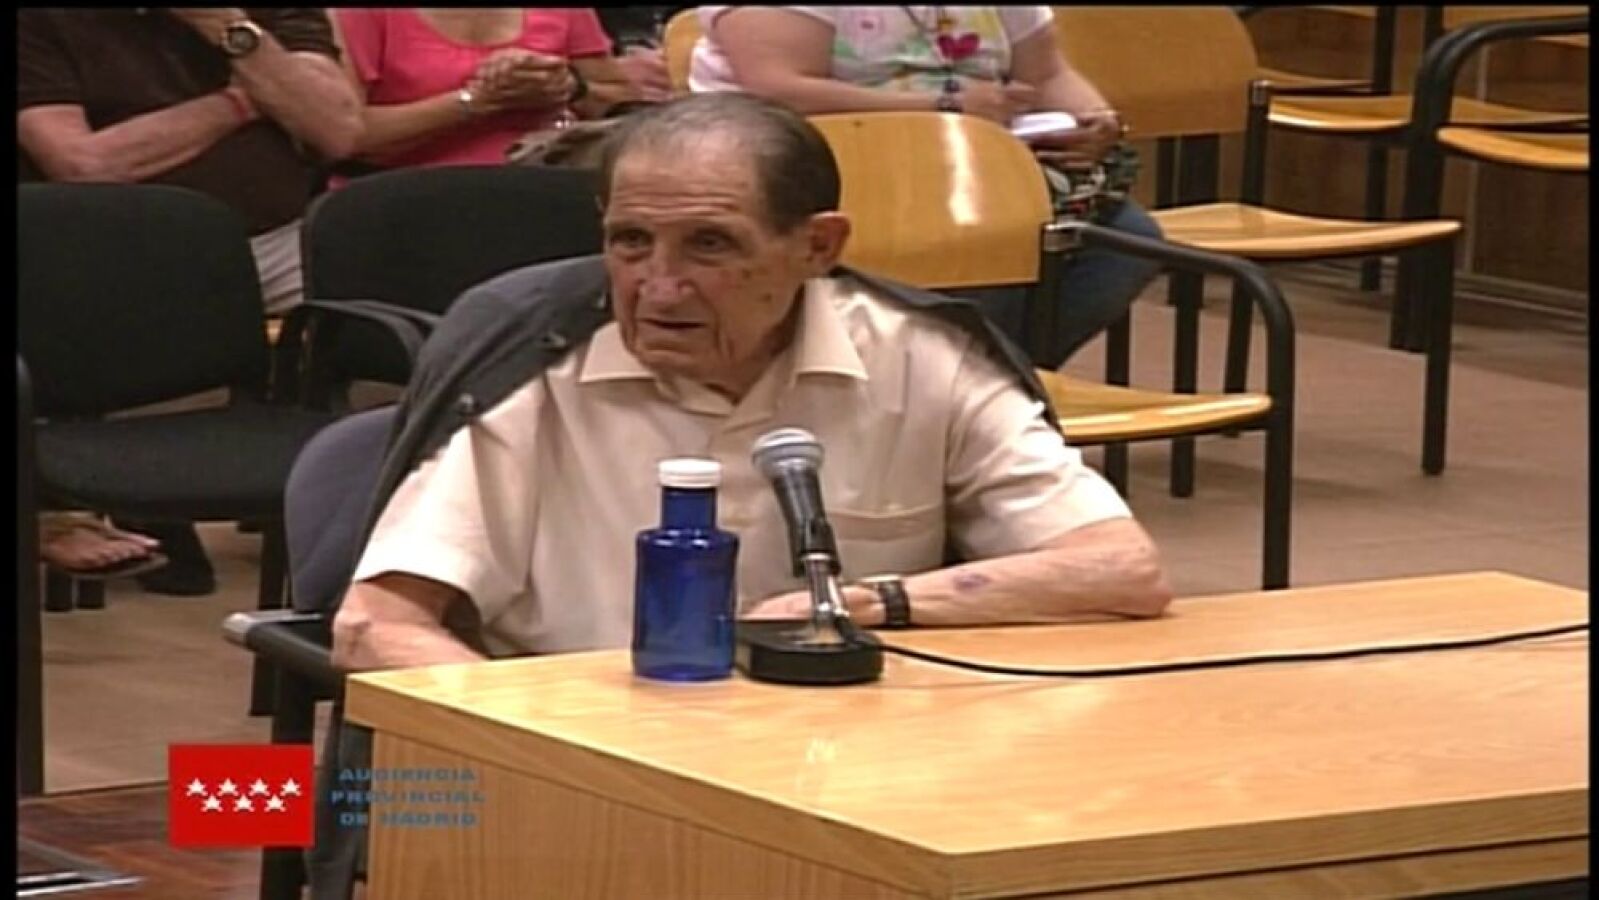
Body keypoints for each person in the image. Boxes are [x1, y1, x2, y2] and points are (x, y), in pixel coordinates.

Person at [329, 92, 1171, 671]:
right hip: (577, 749)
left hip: (841, 759)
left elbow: (1120, 571)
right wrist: (538, 757)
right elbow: (374, 624)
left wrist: (865, 603)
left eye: (710, 245)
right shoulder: (530, 366)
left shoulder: (923, 356)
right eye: (630, 242)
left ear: (818, 247)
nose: (659, 288)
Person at [17, 7, 362, 595]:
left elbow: (338, 129)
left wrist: (225, 27)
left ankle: (399, 536)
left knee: (419, 310)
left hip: (283, 243)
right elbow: (84, 163)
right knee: (104, 300)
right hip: (123, 250)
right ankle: (103, 496)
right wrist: (246, 100)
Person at [687, 6, 1164, 367]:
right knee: (983, 250)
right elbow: (777, 90)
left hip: (972, 170)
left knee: (1126, 240)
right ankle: (954, 401)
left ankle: (988, 390)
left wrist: (1096, 119)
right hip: (822, 166)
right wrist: (945, 107)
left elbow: (1047, 74)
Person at [330, 8, 638, 180]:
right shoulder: (361, 14)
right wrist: (476, 102)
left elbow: (624, 104)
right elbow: (346, 136)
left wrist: (567, 86)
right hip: (404, 194)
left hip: (544, 185)